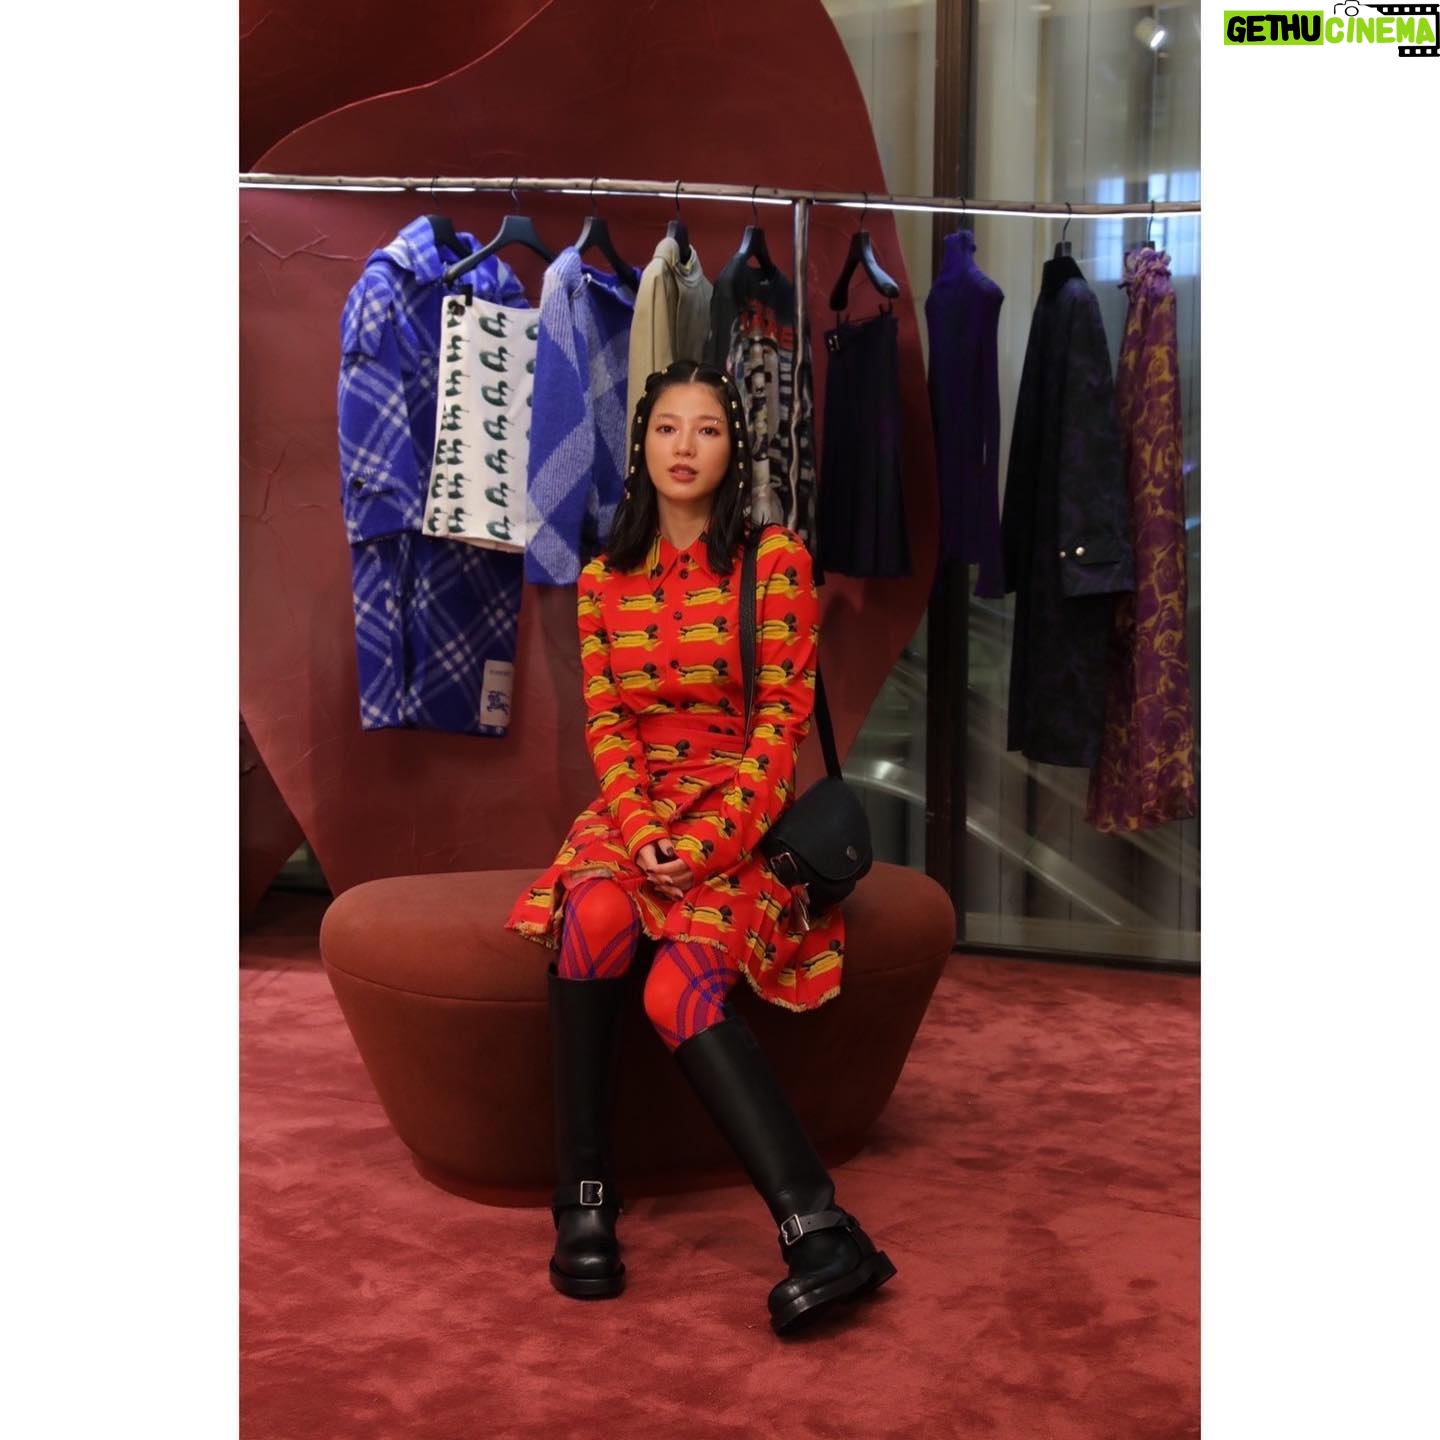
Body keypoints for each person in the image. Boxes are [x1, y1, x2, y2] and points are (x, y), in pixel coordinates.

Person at [503, 359, 895, 1334]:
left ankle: (821, 1230)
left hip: (740, 811)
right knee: (595, 913)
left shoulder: (775, 563)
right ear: (640, 443)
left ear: (736, 450)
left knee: (674, 990)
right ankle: (583, 1198)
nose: (685, 447)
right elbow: (607, 725)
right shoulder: (602, 580)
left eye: (708, 429)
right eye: (667, 427)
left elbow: (781, 728)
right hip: (635, 810)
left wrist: (713, 844)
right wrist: (641, 833)